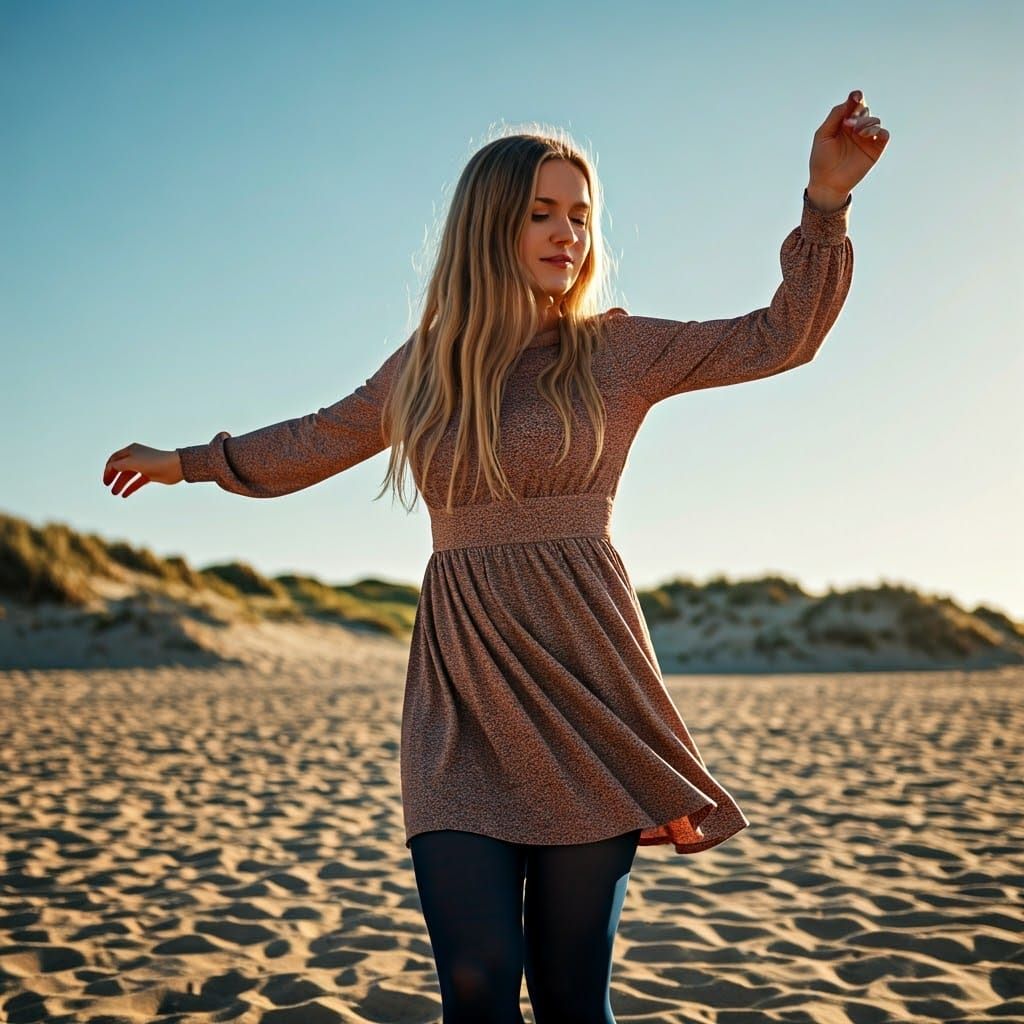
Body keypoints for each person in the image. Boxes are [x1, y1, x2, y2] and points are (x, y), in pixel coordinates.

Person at [103, 91, 888, 1024]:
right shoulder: (426, 367)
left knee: (569, 995)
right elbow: (313, 439)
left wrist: (826, 202)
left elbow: (780, 336)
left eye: (581, 217)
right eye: (542, 213)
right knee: (475, 981)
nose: (568, 235)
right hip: (461, 703)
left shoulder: (618, 352)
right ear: (489, 226)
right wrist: (188, 462)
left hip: (586, 689)